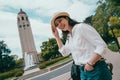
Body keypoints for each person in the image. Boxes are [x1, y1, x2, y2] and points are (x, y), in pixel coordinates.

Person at [50, 12, 112, 80]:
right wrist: (57, 37)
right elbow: (65, 53)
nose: (59, 25)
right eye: (56, 24)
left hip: (95, 68)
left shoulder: (81, 27)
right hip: (82, 71)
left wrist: (90, 63)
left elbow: (101, 45)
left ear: (66, 18)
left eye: (60, 21)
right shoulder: (69, 36)